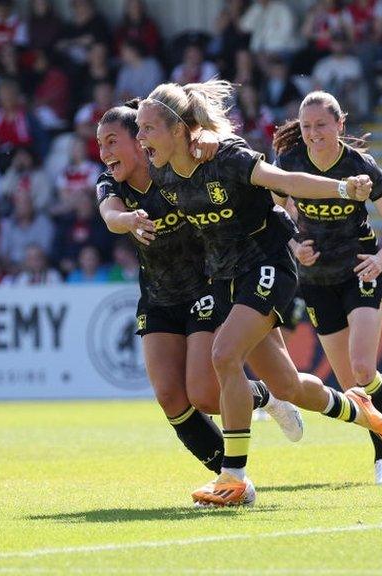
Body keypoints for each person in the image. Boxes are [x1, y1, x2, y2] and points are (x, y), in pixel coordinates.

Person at [137, 80, 382, 506]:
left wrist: (340, 188)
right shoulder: (163, 173)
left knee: (224, 356)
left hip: (267, 266)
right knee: (288, 386)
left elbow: (286, 180)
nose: (140, 138)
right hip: (223, 279)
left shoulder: (226, 155)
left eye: (147, 129)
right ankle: (365, 413)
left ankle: (234, 479)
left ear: (177, 129)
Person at [96, 100, 305, 504]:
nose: (104, 152)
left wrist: (210, 138)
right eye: (100, 144)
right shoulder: (110, 183)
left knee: (206, 395)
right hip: (157, 295)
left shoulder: (175, 169)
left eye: (112, 141)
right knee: (170, 397)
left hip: (208, 286)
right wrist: (128, 221)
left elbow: (223, 167)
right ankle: (232, 476)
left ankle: (238, 465)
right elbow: (110, 215)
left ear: (141, 141)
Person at [273, 91, 382, 485]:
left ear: (339, 125)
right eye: (306, 126)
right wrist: (294, 245)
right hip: (316, 281)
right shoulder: (289, 163)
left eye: (321, 125)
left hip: (360, 272)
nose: (314, 133)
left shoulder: (360, 166)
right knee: (353, 387)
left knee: (362, 368)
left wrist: (380, 260)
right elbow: (277, 214)